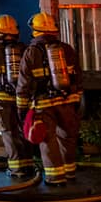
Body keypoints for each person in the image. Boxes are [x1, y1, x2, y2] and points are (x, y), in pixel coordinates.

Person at [15, 11, 83, 186]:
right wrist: (76, 100)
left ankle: (55, 178)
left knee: (48, 140)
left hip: (44, 104)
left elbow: (23, 84)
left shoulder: (31, 52)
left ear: (35, 31)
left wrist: (22, 110)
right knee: (67, 138)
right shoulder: (67, 49)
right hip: (67, 101)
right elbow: (78, 77)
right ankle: (70, 174)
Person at [0, 14, 33, 178]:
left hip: (1, 98)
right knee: (23, 130)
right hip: (22, 96)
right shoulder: (24, 49)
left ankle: (16, 169)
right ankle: (29, 165)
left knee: (8, 132)